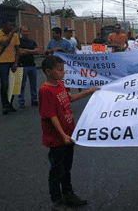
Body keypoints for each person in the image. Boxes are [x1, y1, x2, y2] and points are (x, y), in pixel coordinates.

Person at [39, 55, 98, 210]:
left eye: (63, 69)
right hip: (57, 138)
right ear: (48, 72)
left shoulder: (59, 84)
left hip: (69, 134)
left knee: (67, 167)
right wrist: (63, 135)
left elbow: (69, 98)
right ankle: (56, 200)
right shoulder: (45, 90)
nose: (63, 73)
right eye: (60, 70)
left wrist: (89, 92)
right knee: (56, 169)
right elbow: (51, 115)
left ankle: (68, 193)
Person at [0, 18, 20, 115]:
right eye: (10, 26)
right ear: (4, 25)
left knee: (13, 85)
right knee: (4, 84)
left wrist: (15, 63)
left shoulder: (15, 36)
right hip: (2, 63)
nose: (12, 28)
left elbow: (17, 50)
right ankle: (4, 105)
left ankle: (10, 104)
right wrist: (12, 32)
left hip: (12, 62)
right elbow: (5, 43)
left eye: (13, 26)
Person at [18, 27, 40, 108]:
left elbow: (37, 51)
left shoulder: (32, 42)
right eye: (24, 31)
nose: (25, 33)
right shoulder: (18, 41)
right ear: (21, 32)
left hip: (32, 66)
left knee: (33, 85)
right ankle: (21, 101)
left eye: (27, 31)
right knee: (21, 85)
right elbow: (20, 53)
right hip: (22, 66)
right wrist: (31, 51)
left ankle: (34, 100)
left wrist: (26, 50)